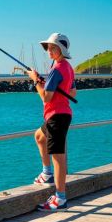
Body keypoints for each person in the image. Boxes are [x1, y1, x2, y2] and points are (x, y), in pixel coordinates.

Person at [27, 33, 76, 211]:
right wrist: (46, 82)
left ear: (59, 49)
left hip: (57, 116)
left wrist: (36, 81)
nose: (48, 50)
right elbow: (72, 92)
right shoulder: (67, 67)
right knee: (39, 137)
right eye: (47, 47)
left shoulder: (57, 69)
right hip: (60, 115)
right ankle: (47, 173)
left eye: (51, 47)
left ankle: (60, 198)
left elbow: (46, 98)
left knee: (58, 157)